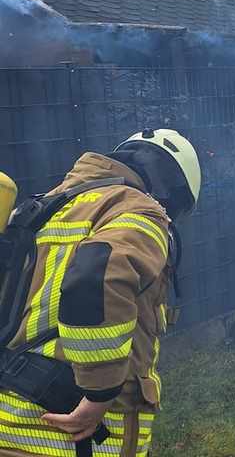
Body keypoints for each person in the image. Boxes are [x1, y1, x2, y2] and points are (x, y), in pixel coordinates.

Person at [0, 128, 201, 457]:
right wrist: (99, 393)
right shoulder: (141, 212)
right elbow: (95, 280)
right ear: (175, 192)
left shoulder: (43, 209)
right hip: (72, 440)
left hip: (9, 424)